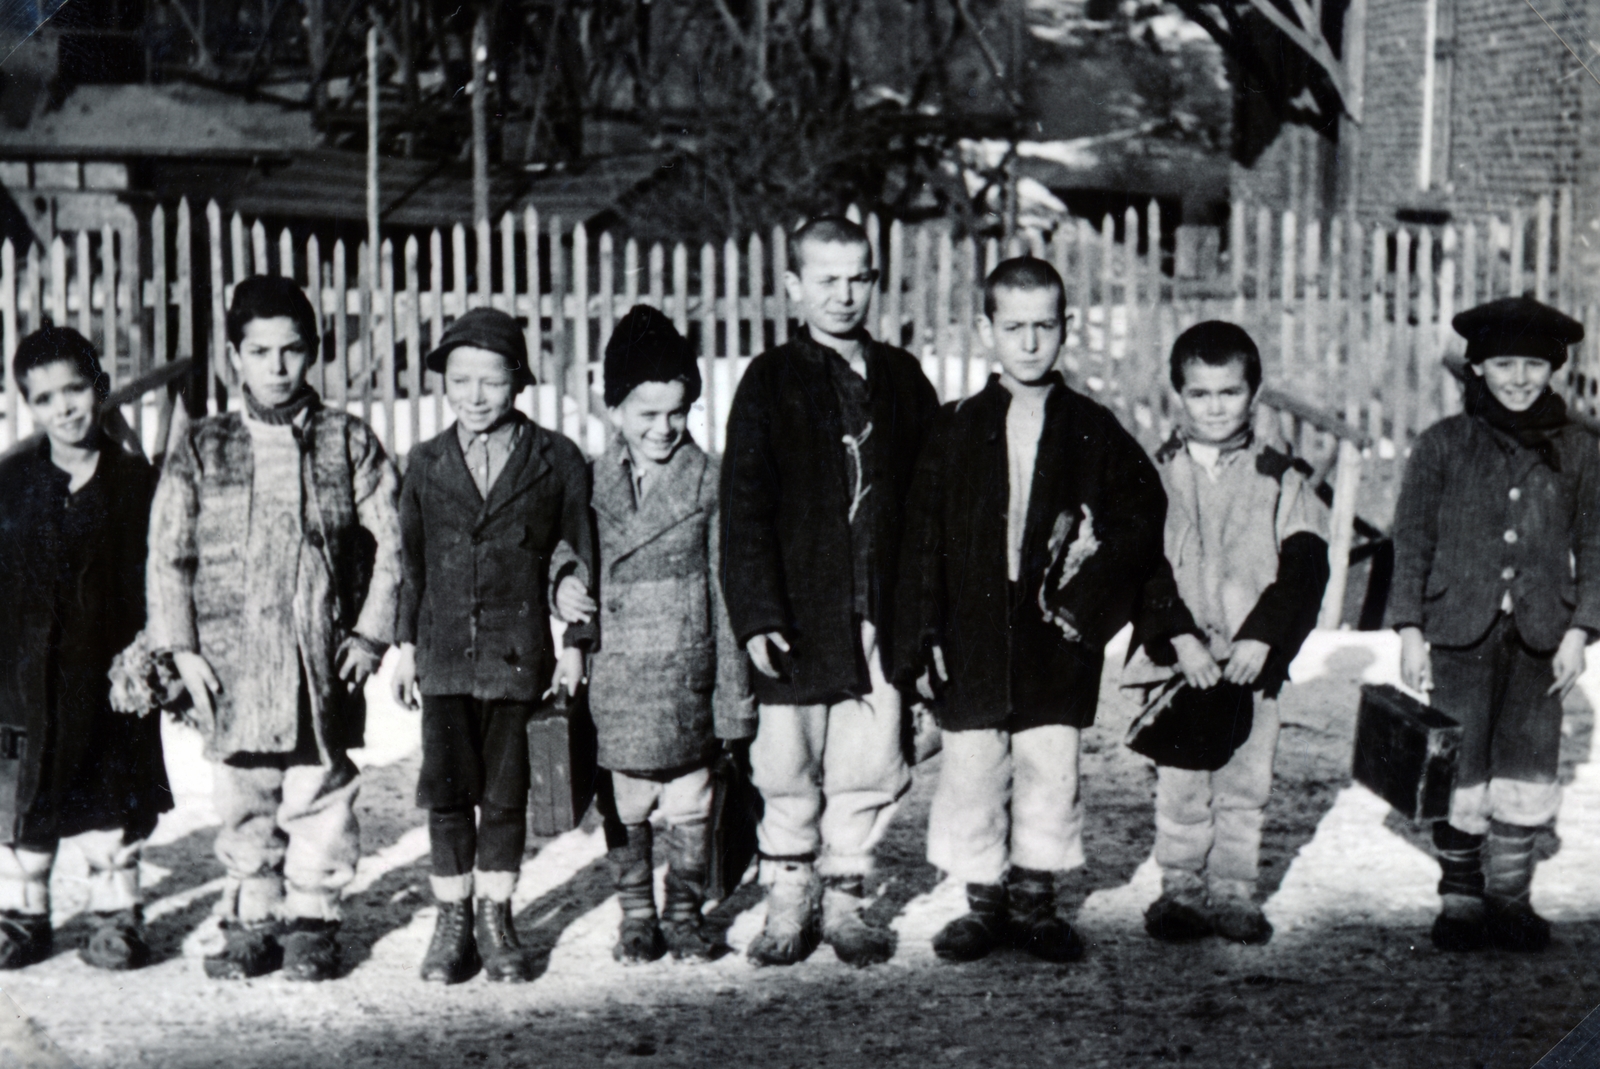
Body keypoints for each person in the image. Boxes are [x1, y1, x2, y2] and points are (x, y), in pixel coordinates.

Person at [895, 257, 1167, 962]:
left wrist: (1087, 602)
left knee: (1051, 770)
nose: (1029, 342)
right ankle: (982, 902)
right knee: (973, 772)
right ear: (987, 330)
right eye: (1013, 326)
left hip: (1055, 637)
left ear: (1066, 328)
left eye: (1044, 326)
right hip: (972, 635)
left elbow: (1142, 513)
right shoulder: (954, 427)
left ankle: (1036, 900)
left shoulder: (1091, 426)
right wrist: (923, 633)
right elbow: (922, 537)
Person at [147, 275, 402, 982]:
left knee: (320, 786)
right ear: (235, 356)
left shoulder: (348, 441)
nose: (278, 366)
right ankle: (253, 912)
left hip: (319, 654)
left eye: (292, 350)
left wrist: (372, 632)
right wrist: (182, 647)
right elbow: (169, 552)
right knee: (243, 787)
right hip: (232, 660)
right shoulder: (204, 445)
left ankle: (314, 915)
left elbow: (392, 542)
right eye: (260, 352)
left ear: (314, 350)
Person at [719, 216, 940, 967]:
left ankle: (845, 899)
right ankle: (788, 896)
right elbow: (743, 505)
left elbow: (929, 499)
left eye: (858, 278)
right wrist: (756, 614)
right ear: (794, 288)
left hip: (878, 605)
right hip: (798, 611)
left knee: (869, 759)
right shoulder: (769, 380)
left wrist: (923, 610)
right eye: (826, 279)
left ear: (875, 280)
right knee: (786, 762)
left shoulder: (904, 379)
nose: (844, 295)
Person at [1388, 295, 1600, 954]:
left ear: (1554, 367)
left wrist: (1579, 630)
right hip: (1457, 632)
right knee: (1460, 763)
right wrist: (1410, 629)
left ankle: (1510, 898)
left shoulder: (1580, 449)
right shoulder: (1443, 445)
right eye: (1503, 363)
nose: (1517, 378)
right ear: (1476, 366)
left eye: (1533, 364)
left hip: (1541, 635)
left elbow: (1596, 544)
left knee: (1528, 765)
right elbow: (1413, 539)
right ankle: (1460, 898)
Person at [392, 307, 594, 984]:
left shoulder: (555, 458)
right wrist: (402, 646)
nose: (475, 396)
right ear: (443, 382)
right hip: (445, 656)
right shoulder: (425, 463)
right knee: (448, 794)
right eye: (460, 379)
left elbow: (578, 551)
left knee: (506, 795)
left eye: (492, 380)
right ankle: (452, 921)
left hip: (517, 657)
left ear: (519, 381)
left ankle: (495, 917)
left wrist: (575, 643)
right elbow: (410, 563)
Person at [1122, 320, 1328, 946]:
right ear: (1178, 396)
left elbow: (1305, 566)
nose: (1215, 408)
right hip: (1177, 663)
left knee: (1244, 780)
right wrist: (1178, 637)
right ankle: (1181, 887)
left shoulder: (1282, 477)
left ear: (1254, 393)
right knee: (1182, 783)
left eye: (1229, 393)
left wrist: (1263, 636)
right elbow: (1138, 564)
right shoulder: (1150, 474)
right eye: (1200, 394)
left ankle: (1234, 889)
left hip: (1248, 661)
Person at [558, 304, 753, 965]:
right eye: (647, 413)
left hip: (686, 671)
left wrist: (732, 698)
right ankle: (637, 913)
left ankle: (685, 911)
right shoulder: (588, 480)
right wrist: (562, 579)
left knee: (694, 799)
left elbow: (729, 595)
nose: (664, 427)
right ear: (613, 409)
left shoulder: (710, 480)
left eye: (677, 411)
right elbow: (566, 549)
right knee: (629, 798)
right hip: (618, 676)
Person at [0, 327, 172, 971]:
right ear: (29, 406)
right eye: (45, 399)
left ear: (99, 389)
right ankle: (22, 916)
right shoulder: (11, 483)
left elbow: (163, 575)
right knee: (24, 805)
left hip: (107, 681)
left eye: (75, 389)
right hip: (24, 680)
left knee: (111, 804)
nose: (65, 408)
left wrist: (156, 655)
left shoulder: (136, 483)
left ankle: (115, 918)